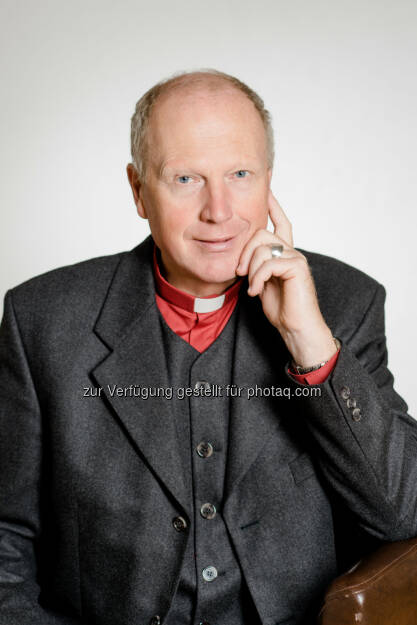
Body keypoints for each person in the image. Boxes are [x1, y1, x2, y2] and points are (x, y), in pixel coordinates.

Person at [0, 69, 416, 625]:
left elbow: (402, 516)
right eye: (186, 178)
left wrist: (310, 345)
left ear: (270, 179)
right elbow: (5, 541)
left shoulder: (345, 302)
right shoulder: (42, 319)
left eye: (240, 174)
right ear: (138, 190)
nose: (219, 210)